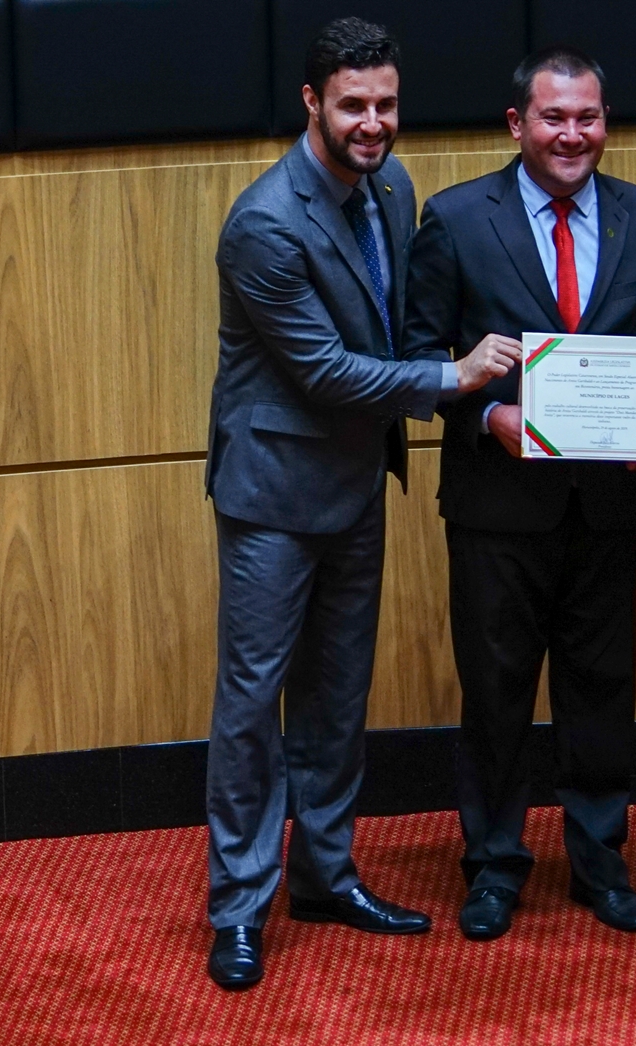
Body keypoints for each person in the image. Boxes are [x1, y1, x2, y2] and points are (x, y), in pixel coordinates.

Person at [202, 18, 516, 991]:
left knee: (337, 697)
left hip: (352, 482)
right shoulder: (262, 222)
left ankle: (325, 875)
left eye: (385, 102)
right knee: (253, 704)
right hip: (272, 493)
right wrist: (455, 376)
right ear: (311, 104)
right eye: (353, 105)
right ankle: (239, 905)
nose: (374, 122)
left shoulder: (390, 185)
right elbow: (324, 369)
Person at [402, 46, 636, 940]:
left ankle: (600, 860)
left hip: (607, 507)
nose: (573, 133)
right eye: (554, 117)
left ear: (606, 123)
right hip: (496, 508)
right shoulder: (451, 219)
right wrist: (486, 421)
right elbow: (416, 361)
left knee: (602, 689)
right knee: (496, 692)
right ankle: (493, 866)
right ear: (517, 124)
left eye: (588, 117)